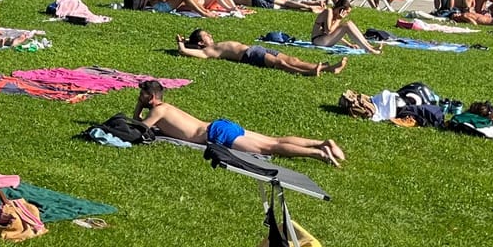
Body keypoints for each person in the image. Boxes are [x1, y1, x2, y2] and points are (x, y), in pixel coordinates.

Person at [133, 81, 343, 165]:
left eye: (142, 94)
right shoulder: (167, 108)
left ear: (150, 96)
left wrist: (138, 107)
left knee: (269, 148)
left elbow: (139, 127)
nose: (139, 96)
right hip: (220, 125)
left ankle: (318, 154)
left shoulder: (158, 111)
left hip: (216, 135)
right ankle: (321, 143)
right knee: (273, 140)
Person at [176, 29, 339, 76]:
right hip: (249, 55)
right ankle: (309, 72)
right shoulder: (208, 50)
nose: (210, 35)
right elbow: (187, 53)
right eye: (206, 35)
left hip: (256, 48)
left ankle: (327, 68)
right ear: (200, 42)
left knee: (292, 58)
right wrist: (182, 46)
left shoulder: (214, 44)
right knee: (280, 64)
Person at [311, 0, 380, 53]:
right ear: (341, 9)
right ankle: (368, 49)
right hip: (318, 40)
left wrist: (349, 44)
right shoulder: (329, 11)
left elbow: (335, 34)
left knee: (349, 23)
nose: (346, 15)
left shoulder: (335, 16)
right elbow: (328, 31)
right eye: (346, 12)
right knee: (346, 25)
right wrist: (339, 19)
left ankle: (369, 46)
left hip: (324, 40)